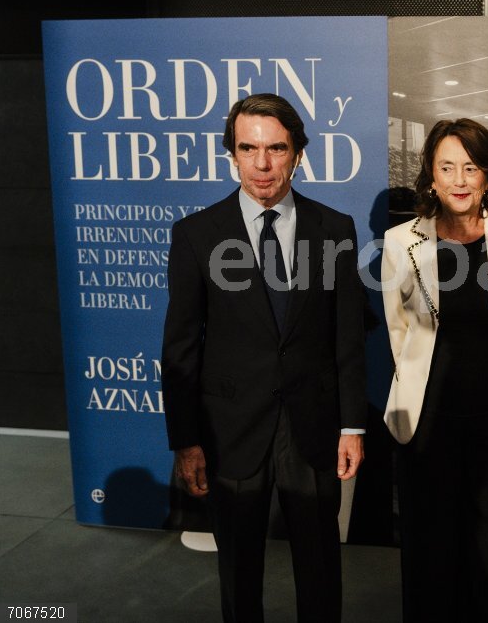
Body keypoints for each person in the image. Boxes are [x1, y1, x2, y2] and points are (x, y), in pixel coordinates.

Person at [162, 93, 367, 622]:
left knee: (321, 569)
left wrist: (352, 426)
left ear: (298, 153)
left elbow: (346, 337)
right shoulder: (195, 235)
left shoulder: (335, 229)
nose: (261, 163)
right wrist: (186, 441)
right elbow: (180, 346)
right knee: (238, 572)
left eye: (276, 148)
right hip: (230, 427)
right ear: (231, 153)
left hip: (313, 425)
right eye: (247, 148)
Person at [381, 118, 488, 621]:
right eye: (447, 167)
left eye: (471, 167)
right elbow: (398, 334)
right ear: (430, 175)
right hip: (427, 423)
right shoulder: (399, 241)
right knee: (429, 555)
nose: (459, 179)